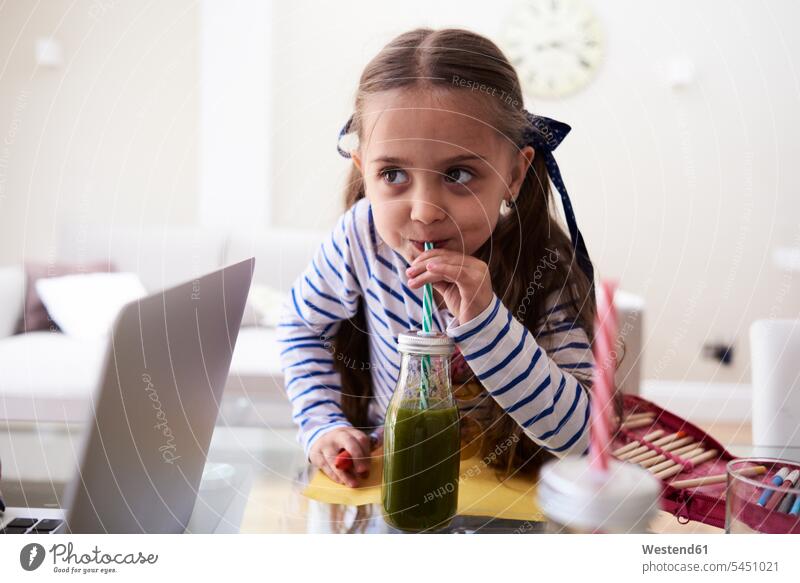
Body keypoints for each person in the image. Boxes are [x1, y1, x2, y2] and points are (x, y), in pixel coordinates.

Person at [278, 27, 601, 488]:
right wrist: (322, 423)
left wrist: (486, 321)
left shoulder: (545, 263)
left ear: (514, 173)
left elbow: (581, 437)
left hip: (510, 482)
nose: (425, 211)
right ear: (363, 171)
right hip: (393, 472)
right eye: (392, 173)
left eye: (459, 173)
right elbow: (301, 326)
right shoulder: (361, 236)